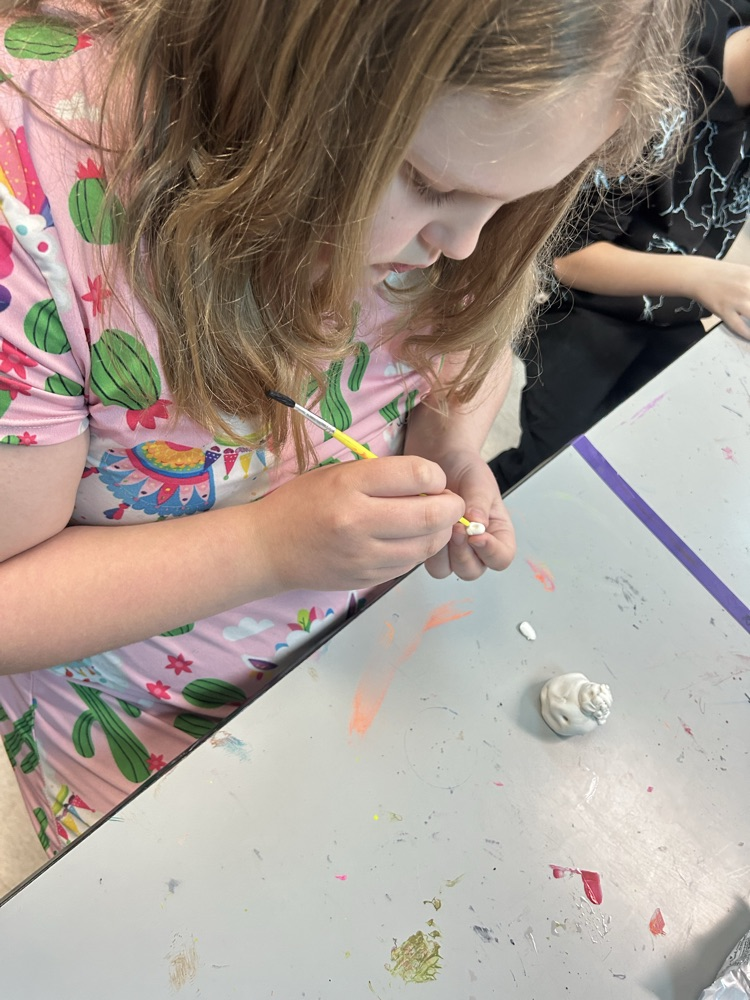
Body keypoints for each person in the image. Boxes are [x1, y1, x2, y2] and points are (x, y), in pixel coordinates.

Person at [0, 0, 695, 856]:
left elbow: (464, 332)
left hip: (356, 669)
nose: (467, 245)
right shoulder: (30, 217)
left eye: (513, 203)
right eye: (435, 188)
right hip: (142, 748)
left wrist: (451, 441)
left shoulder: (472, 193)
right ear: (286, 76)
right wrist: (267, 550)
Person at [490, 0, 750, 492]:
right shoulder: (659, 84)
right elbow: (567, 260)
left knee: (668, 464)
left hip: (670, 314)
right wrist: (701, 277)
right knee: (546, 474)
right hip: (583, 307)